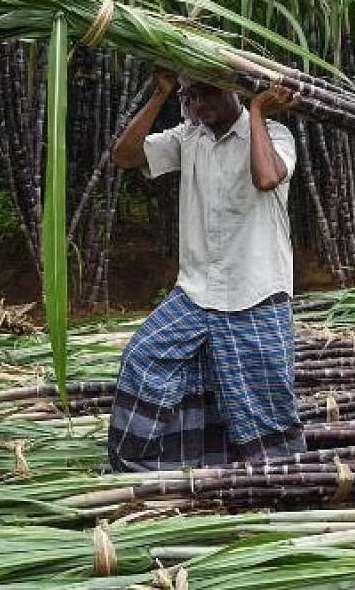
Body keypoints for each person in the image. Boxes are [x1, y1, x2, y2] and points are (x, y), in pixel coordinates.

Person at [106, 71, 306, 470]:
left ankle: (281, 482)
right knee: (143, 358)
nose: (198, 105)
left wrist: (258, 110)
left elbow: (267, 178)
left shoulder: (275, 135)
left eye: (208, 93)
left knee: (263, 404)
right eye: (190, 96)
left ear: (234, 89)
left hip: (256, 292)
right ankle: (150, 470)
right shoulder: (188, 137)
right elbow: (123, 157)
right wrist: (161, 94)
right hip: (197, 293)